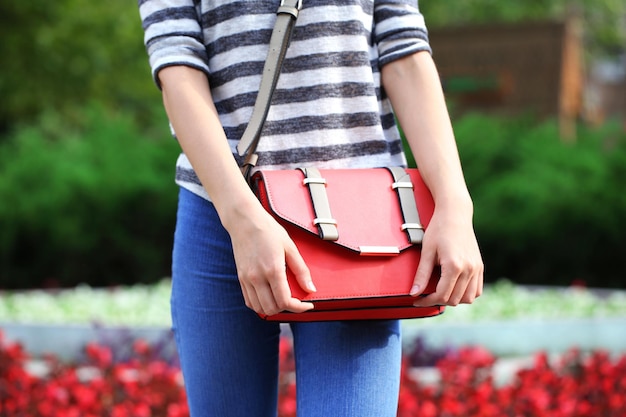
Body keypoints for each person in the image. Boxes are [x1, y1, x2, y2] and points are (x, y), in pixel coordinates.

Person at [138, 0, 483, 415]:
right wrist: (242, 219)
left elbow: (405, 51)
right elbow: (178, 67)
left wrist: (454, 205)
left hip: (359, 227)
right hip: (221, 215)